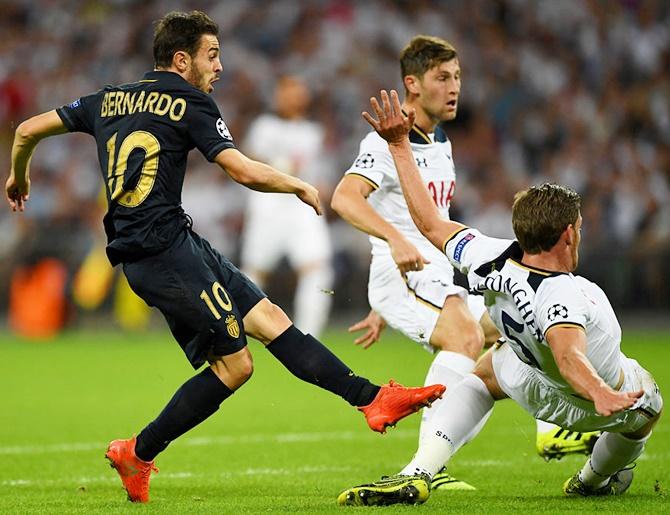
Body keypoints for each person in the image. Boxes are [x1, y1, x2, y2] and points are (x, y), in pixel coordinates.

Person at [5, 13, 445, 504]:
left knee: (270, 317)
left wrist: (18, 176)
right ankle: (138, 452)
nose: (219, 66)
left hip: (176, 245)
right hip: (161, 254)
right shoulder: (190, 101)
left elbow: (25, 130)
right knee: (237, 367)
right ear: (181, 59)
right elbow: (239, 169)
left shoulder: (105, 99)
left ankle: (372, 400)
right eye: (211, 55)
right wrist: (297, 183)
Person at [336, 90, 663, 506]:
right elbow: (568, 355)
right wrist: (600, 392)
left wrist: (400, 146)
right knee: (649, 411)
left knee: (484, 373)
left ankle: (420, 471)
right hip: (585, 402)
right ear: (569, 234)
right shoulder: (566, 293)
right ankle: (591, 480)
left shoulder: (486, 254)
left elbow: (430, 223)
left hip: (524, 377)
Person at [331, 35, 594, 489]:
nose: (454, 87)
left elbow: (420, 215)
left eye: (457, 77)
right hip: (407, 275)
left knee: (518, 324)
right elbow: (343, 198)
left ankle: (548, 430)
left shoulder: (439, 138)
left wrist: (383, 304)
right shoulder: (386, 141)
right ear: (411, 83)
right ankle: (424, 467)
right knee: (466, 336)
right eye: (442, 77)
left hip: (432, 278)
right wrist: (392, 245)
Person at [240, 75, 333, 337]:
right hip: (267, 204)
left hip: (302, 207)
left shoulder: (314, 132)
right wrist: (277, 166)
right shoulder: (264, 126)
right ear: (278, 95)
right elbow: (247, 161)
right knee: (254, 272)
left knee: (317, 268)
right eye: (288, 91)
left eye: (299, 91)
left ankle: (308, 336)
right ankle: (242, 331)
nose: (294, 96)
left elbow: (320, 172)